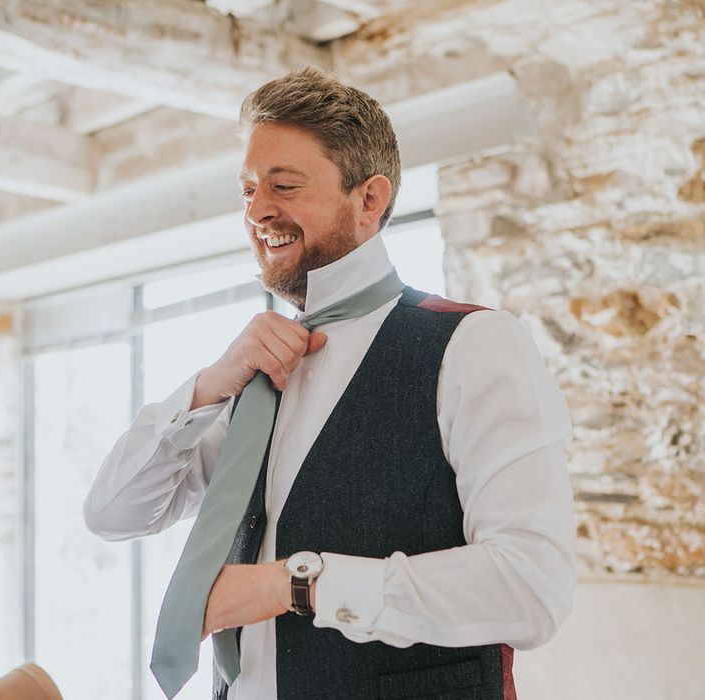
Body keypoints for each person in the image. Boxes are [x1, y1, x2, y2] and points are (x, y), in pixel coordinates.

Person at [83, 67, 576, 700]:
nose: (259, 210)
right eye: (248, 189)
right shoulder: (255, 381)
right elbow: (113, 513)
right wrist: (206, 388)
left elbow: (532, 589)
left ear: (370, 200)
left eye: (283, 185)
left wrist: (295, 583)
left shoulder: (473, 345)